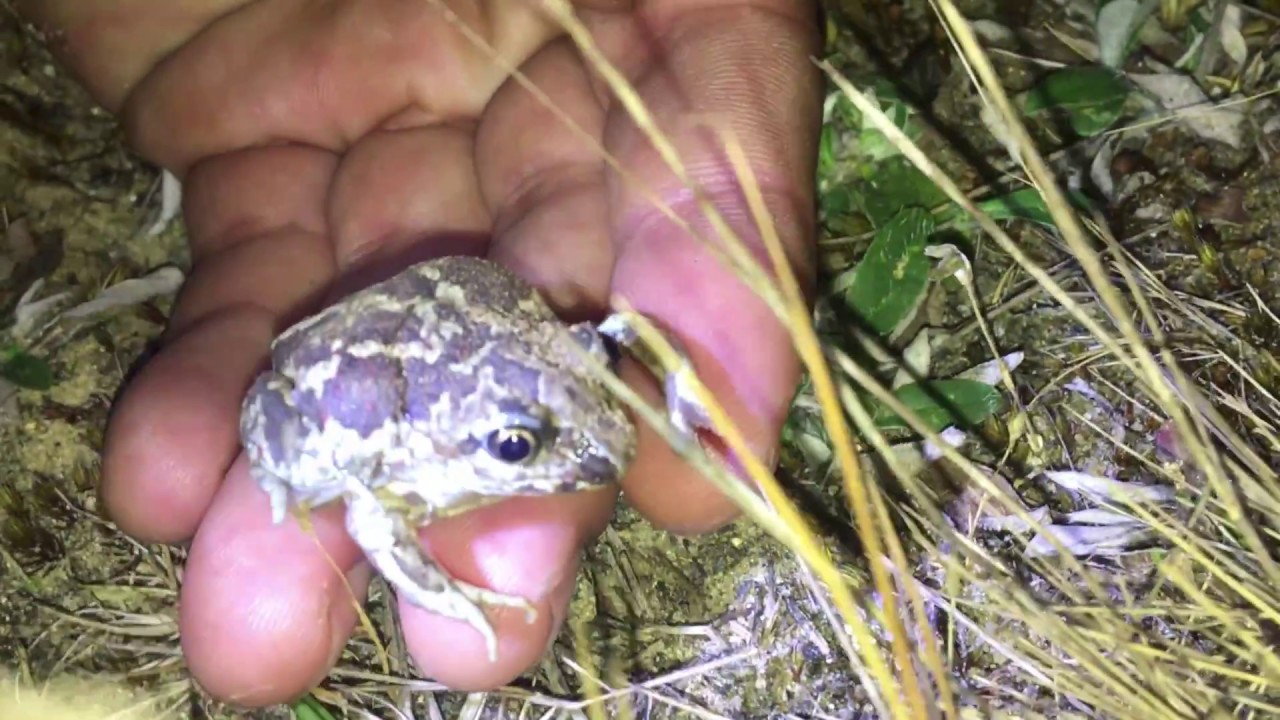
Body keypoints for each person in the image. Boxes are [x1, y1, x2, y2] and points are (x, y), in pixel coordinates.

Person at [16, 0, 823, 707]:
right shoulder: (418, 456)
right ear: (473, 445)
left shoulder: (558, 355)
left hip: (448, 327)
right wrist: (443, 592)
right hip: (325, 385)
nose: (602, 433)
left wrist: (677, 391)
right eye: (518, 448)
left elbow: (617, 333)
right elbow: (371, 513)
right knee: (302, 470)